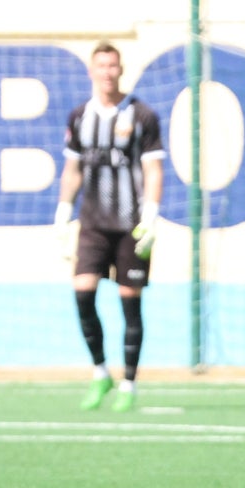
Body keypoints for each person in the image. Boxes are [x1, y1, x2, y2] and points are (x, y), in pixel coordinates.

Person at [55, 40, 165, 413]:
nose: (107, 72)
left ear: (120, 70)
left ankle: (128, 384)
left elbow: (153, 168)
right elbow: (73, 169)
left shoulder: (142, 115)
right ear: (91, 71)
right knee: (83, 291)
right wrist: (62, 210)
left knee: (129, 301)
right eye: (101, 66)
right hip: (93, 224)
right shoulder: (79, 117)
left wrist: (150, 216)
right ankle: (100, 371)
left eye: (113, 66)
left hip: (131, 225)